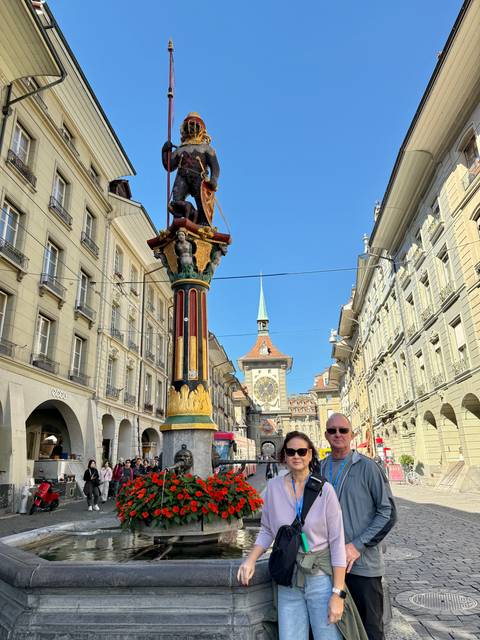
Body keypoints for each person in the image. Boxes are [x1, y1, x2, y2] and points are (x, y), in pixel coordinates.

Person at [237, 431, 349, 640]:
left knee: (328, 636)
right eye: (291, 451)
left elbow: (337, 543)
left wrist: (338, 593)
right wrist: (250, 560)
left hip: (319, 578)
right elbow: (268, 530)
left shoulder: (325, 490)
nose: (296, 456)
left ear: (310, 455)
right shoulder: (273, 488)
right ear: (284, 457)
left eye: (301, 451)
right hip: (288, 576)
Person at [319, 414, 397, 640]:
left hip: (362, 566)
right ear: (326, 435)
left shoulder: (368, 467)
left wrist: (357, 546)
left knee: (369, 630)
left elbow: (388, 513)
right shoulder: (320, 469)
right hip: (329, 566)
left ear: (352, 435)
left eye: (343, 430)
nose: (337, 434)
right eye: (332, 430)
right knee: (337, 628)